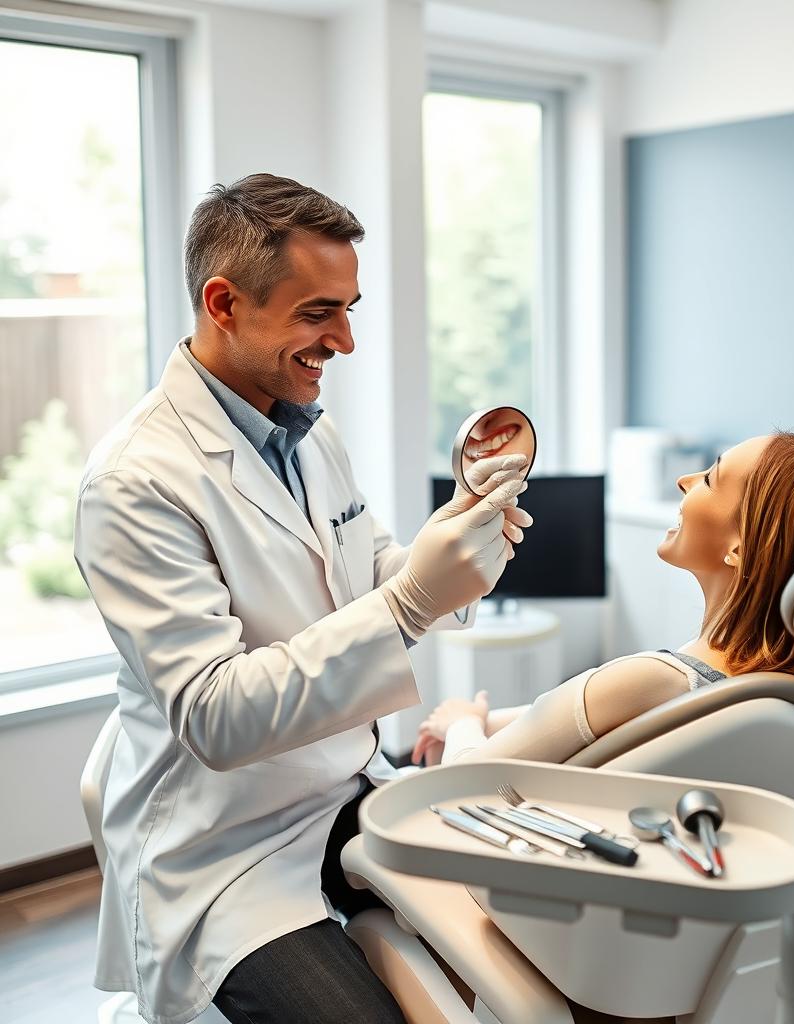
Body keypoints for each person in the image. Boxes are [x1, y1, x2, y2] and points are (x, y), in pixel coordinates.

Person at [74, 172, 532, 1024]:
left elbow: (374, 570)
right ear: (224, 302)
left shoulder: (307, 430)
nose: (346, 341)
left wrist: (460, 543)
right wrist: (411, 604)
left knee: (518, 964)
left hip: (347, 787)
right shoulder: (135, 483)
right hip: (223, 845)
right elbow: (214, 715)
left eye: (350, 308)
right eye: (320, 312)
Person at [413, 431, 794, 766]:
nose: (685, 479)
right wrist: (483, 719)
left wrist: (460, 723)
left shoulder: (651, 679)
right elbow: (569, 717)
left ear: (740, 547)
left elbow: (462, 781)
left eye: (712, 478)